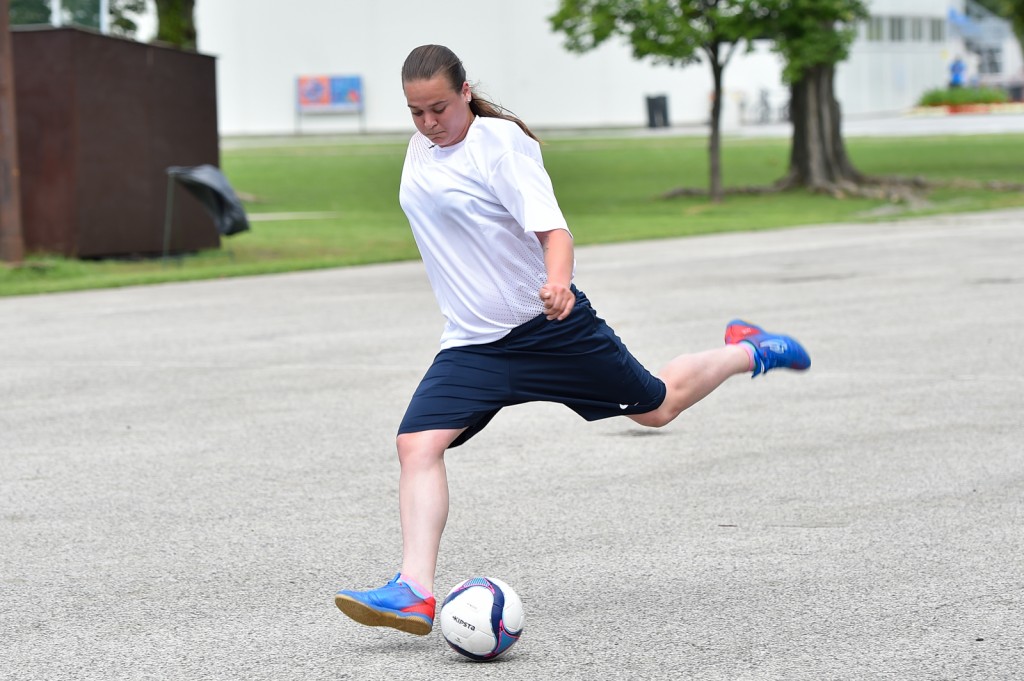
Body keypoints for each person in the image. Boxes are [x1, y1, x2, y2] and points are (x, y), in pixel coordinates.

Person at [334, 44, 810, 636]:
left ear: (465, 93)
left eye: (439, 108)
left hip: (549, 329)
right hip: (474, 344)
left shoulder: (500, 145)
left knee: (657, 407)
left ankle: (748, 350)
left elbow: (554, 232)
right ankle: (414, 591)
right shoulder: (420, 149)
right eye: (416, 112)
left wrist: (557, 284)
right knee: (416, 445)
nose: (429, 123)